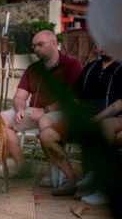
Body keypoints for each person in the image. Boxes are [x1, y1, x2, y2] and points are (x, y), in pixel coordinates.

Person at [40, 49, 122, 198]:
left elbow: (119, 104)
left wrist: (95, 120)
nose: (101, 46)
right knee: (47, 136)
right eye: (98, 41)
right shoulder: (90, 68)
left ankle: (95, 181)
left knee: (101, 128)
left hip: (113, 118)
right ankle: (72, 179)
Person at [1, 30, 82, 177]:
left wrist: (45, 110)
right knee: (0, 120)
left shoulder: (71, 64)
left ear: (53, 43)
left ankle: (51, 173)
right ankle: (22, 167)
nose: (36, 49)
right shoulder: (33, 68)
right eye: (34, 46)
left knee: (44, 121)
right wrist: (19, 108)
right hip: (33, 111)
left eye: (40, 45)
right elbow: (19, 96)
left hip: (61, 111)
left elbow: (73, 98)